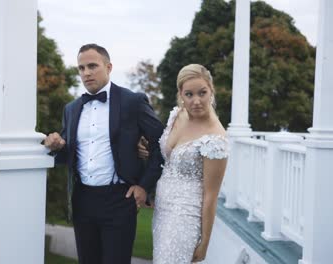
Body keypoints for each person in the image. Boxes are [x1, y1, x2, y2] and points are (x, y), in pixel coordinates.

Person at [44, 43, 164, 264]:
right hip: (82, 199)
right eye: (81, 68)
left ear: (108, 67)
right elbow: (67, 154)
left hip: (119, 198)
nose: (86, 73)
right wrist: (58, 146)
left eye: (92, 66)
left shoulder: (133, 101)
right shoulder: (71, 109)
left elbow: (162, 144)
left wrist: (144, 186)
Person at [140, 64, 228, 263]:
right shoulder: (177, 115)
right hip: (162, 209)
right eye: (189, 94)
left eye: (202, 93)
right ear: (181, 93)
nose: (196, 101)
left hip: (185, 217)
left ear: (211, 90)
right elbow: (166, 158)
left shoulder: (216, 139)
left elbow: (210, 196)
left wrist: (205, 242)